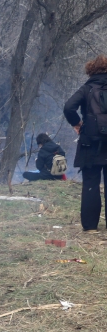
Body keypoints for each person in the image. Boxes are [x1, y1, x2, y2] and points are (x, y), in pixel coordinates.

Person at [63, 55, 107, 231]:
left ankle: (90, 227)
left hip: (90, 141)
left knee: (90, 183)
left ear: (91, 70)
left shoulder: (87, 88)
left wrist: (77, 124)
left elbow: (68, 107)